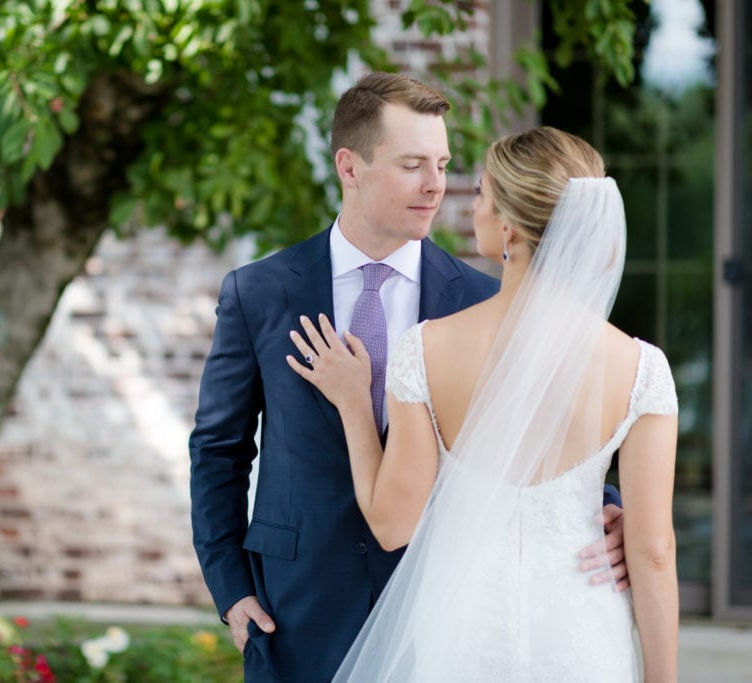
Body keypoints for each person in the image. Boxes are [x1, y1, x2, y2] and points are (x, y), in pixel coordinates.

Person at [189, 73, 627, 682]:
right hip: (295, 610)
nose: (436, 186)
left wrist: (603, 507)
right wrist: (231, 588)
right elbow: (218, 451)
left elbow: (542, 428)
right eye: (413, 164)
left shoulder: (484, 298)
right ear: (350, 166)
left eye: (443, 164)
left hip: (443, 609)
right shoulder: (260, 292)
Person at [288, 126, 678, 681]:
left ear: (510, 228)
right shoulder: (642, 369)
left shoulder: (425, 349)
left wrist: (354, 403)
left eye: (482, 197)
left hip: (463, 633)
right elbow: (655, 551)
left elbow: (392, 525)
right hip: (581, 632)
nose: (471, 209)